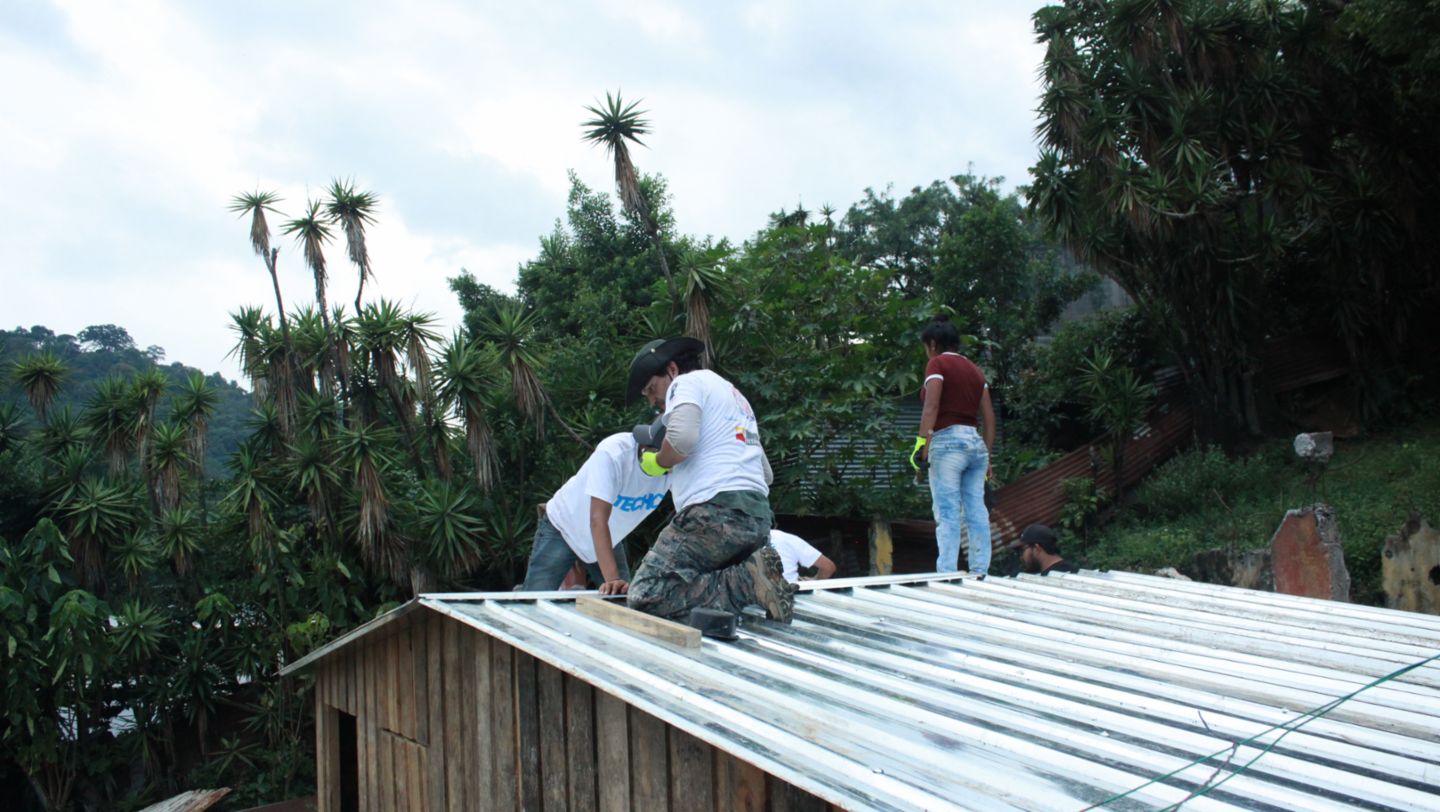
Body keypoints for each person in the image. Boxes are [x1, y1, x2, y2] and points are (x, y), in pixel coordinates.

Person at [623, 336, 794, 623]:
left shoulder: (686, 383)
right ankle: (758, 579)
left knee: (647, 594)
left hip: (714, 515)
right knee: (701, 582)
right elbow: (766, 474)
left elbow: (681, 440)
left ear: (672, 370)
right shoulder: (733, 397)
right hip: (758, 520)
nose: (652, 400)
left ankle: (748, 583)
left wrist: (659, 461)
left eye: (651, 389)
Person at [520, 432, 668, 594]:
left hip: (608, 536)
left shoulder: (679, 465)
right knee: (535, 597)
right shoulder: (614, 452)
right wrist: (613, 580)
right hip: (565, 526)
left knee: (621, 599)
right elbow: (597, 519)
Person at [910, 315, 995, 576]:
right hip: (975, 445)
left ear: (932, 344)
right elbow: (989, 418)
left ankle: (947, 572)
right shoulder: (975, 370)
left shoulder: (937, 363)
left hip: (947, 443)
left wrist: (922, 444)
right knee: (976, 509)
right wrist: (988, 457)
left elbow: (931, 406)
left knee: (947, 510)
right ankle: (980, 570)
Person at [769, 529, 837, 584]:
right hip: (791, 593)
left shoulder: (782, 538)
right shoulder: (784, 538)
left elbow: (828, 567)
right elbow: (828, 567)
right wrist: (814, 582)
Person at [1014, 523, 1079, 575]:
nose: (1021, 556)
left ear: (1037, 548)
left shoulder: (1045, 581)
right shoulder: (1075, 571)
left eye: (1022, 550)